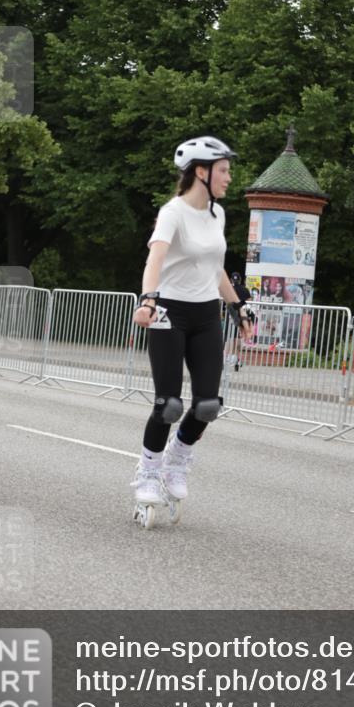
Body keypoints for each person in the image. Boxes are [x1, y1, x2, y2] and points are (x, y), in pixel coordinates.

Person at [131, 136, 254, 520]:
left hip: (205, 315)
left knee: (207, 404)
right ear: (201, 172)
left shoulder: (216, 215)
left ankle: (177, 459)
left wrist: (238, 305)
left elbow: (214, 268)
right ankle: (148, 472)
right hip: (168, 311)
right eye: (223, 170)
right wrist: (149, 298)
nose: (229, 177)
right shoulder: (174, 212)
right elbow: (156, 259)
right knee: (168, 405)